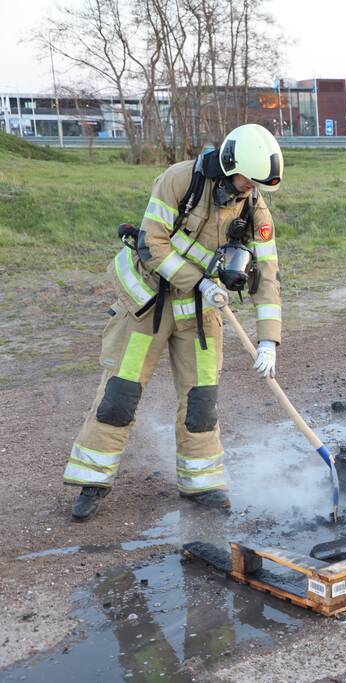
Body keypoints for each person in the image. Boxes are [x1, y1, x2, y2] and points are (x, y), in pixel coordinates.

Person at [64, 124, 284, 521]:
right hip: (148, 303)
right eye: (247, 181)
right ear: (229, 164)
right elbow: (152, 242)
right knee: (120, 394)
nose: (250, 189)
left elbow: (267, 275)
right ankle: (92, 482)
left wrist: (269, 341)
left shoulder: (254, 207)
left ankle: (202, 483)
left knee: (202, 400)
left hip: (200, 313)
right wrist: (199, 281)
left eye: (256, 185)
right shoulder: (180, 181)